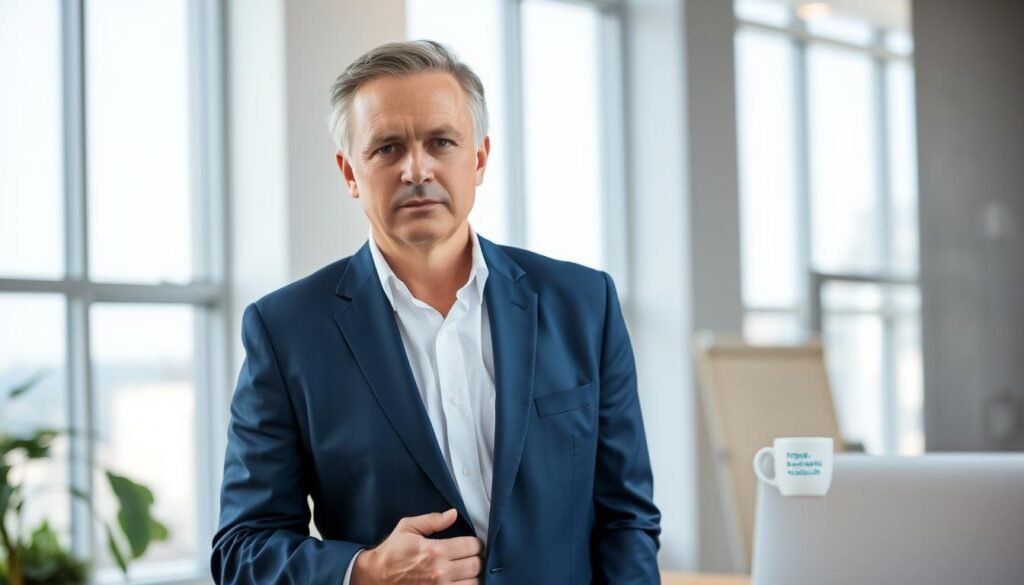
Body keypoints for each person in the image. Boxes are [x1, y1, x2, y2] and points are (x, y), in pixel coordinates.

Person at [211, 40, 660, 584]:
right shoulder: (286, 332)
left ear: (479, 159)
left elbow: (627, 521)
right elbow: (242, 547)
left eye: (441, 142)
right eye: (387, 148)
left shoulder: (585, 304)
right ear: (349, 172)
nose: (415, 169)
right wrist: (366, 571)